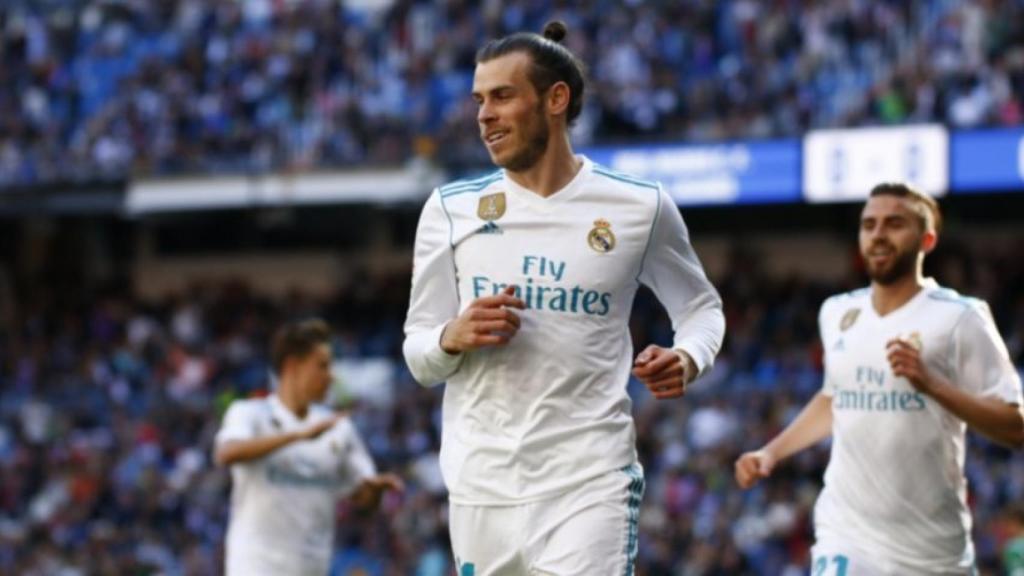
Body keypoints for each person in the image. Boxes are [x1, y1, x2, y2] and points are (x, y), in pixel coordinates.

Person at [402, 21, 725, 575]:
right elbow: (419, 354)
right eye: (479, 99)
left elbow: (701, 309)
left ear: (556, 99)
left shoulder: (638, 207)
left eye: (502, 96)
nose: (484, 115)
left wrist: (688, 356)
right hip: (483, 488)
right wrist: (451, 337)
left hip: (589, 480)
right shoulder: (450, 209)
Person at [734, 183, 1024, 575]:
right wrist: (771, 452)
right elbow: (835, 397)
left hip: (933, 550)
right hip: (847, 534)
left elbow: (1014, 426)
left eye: (894, 223)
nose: (878, 234)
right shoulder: (836, 312)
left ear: (927, 239)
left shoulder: (960, 318)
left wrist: (932, 384)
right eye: (869, 224)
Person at [214, 318, 403, 576]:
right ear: (293, 365)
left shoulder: (337, 427)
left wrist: (374, 492)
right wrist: (299, 435)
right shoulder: (249, 414)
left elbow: (362, 497)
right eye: (322, 366)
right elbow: (227, 453)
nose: (331, 375)